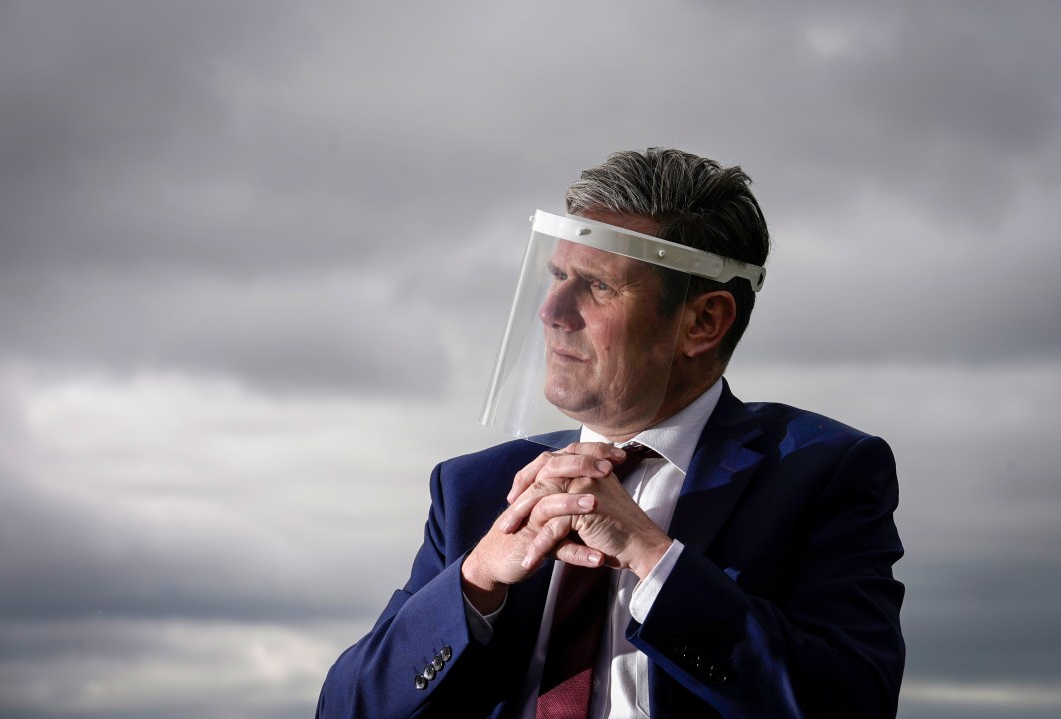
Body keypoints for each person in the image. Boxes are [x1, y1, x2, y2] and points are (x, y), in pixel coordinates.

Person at [316, 148, 905, 718]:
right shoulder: (474, 486)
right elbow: (346, 709)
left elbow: (853, 703)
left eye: (598, 286)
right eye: (556, 276)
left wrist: (654, 557)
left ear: (703, 322)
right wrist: (476, 582)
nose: (552, 310)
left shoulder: (822, 471)